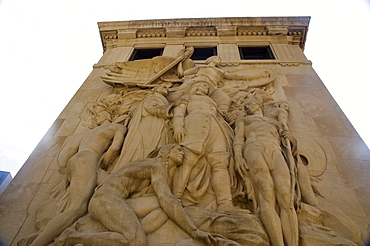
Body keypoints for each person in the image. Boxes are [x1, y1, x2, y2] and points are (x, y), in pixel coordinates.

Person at [26, 115, 129, 246]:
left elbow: (70, 150)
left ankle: (49, 234)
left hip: (75, 160)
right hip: (89, 159)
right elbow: (114, 148)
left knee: (103, 191)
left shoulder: (89, 133)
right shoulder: (118, 127)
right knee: (77, 208)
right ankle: (37, 243)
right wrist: (103, 163)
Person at [88, 144, 219, 246]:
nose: (182, 153)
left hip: (117, 200)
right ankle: (74, 237)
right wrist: (194, 230)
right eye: (178, 150)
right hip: (106, 198)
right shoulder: (156, 166)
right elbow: (166, 199)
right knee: (136, 241)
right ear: (166, 153)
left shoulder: (156, 168)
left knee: (162, 209)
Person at [172, 79, 245, 214]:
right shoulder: (187, 97)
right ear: (194, 87)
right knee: (187, 160)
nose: (204, 87)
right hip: (194, 124)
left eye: (206, 86)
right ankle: (175, 199)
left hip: (216, 127)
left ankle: (225, 204)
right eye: (201, 84)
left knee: (220, 164)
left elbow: (222, 115)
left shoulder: (213, 102)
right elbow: (179, 111)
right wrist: (178, 126)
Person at [233, 100, 299, 246]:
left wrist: (291, 138)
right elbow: (238, 138)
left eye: (251, 104)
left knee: (286, 197)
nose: (249, 106)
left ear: (260, 106)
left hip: (275, 150)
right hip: (253, 148)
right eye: (246, 106)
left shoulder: (275, 123)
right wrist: (238, 156)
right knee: (266, 194)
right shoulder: (243, 119)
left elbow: (290, 143)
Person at [112, 83, 174, 172]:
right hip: (150, 125)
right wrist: (172, 107)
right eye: (163, 86)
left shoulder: (161, 99)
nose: (167, 89)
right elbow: (151, 108)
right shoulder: (152, 98)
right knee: (146, 147)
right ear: (155, 89)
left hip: (158, 124)